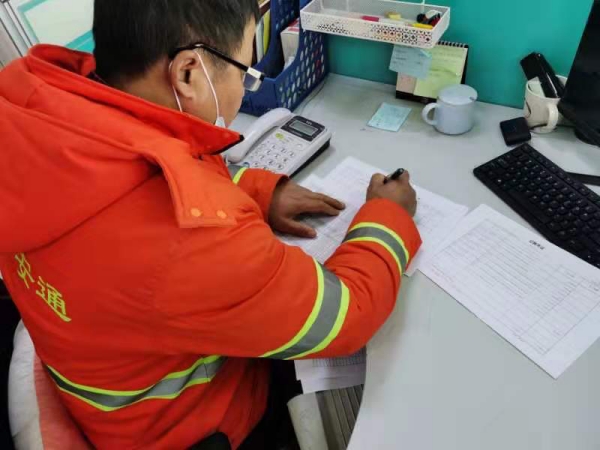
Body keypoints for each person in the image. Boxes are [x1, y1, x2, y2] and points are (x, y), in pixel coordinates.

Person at [0, 0, 421, 449]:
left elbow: (144, 170)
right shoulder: (191, 244)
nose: (243, 88)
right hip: (197, 428)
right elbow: (347, 315)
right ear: (188, 73)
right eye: (244, 72)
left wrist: (259, 191)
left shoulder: (38, 114)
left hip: (107, 390)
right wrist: (387, 215)